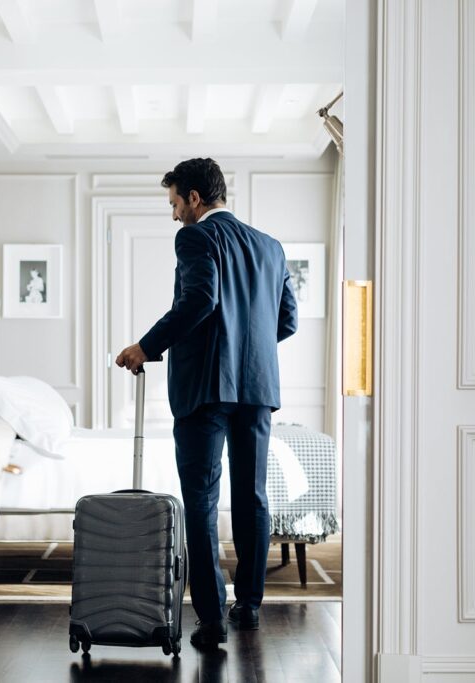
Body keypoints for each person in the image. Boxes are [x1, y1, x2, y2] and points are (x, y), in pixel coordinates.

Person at [116, 158, 298, 650]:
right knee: (252, 497)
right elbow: (287, 321)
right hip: (257, 390)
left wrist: (145, 347)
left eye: (175, 203)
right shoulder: (271, 247)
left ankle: (213, 619)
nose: (174, 215)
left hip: (205, 390)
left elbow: (198, 300)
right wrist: (248, 347)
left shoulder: (196, 238)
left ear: (195, 198)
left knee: (201, 498)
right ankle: (251, 607)